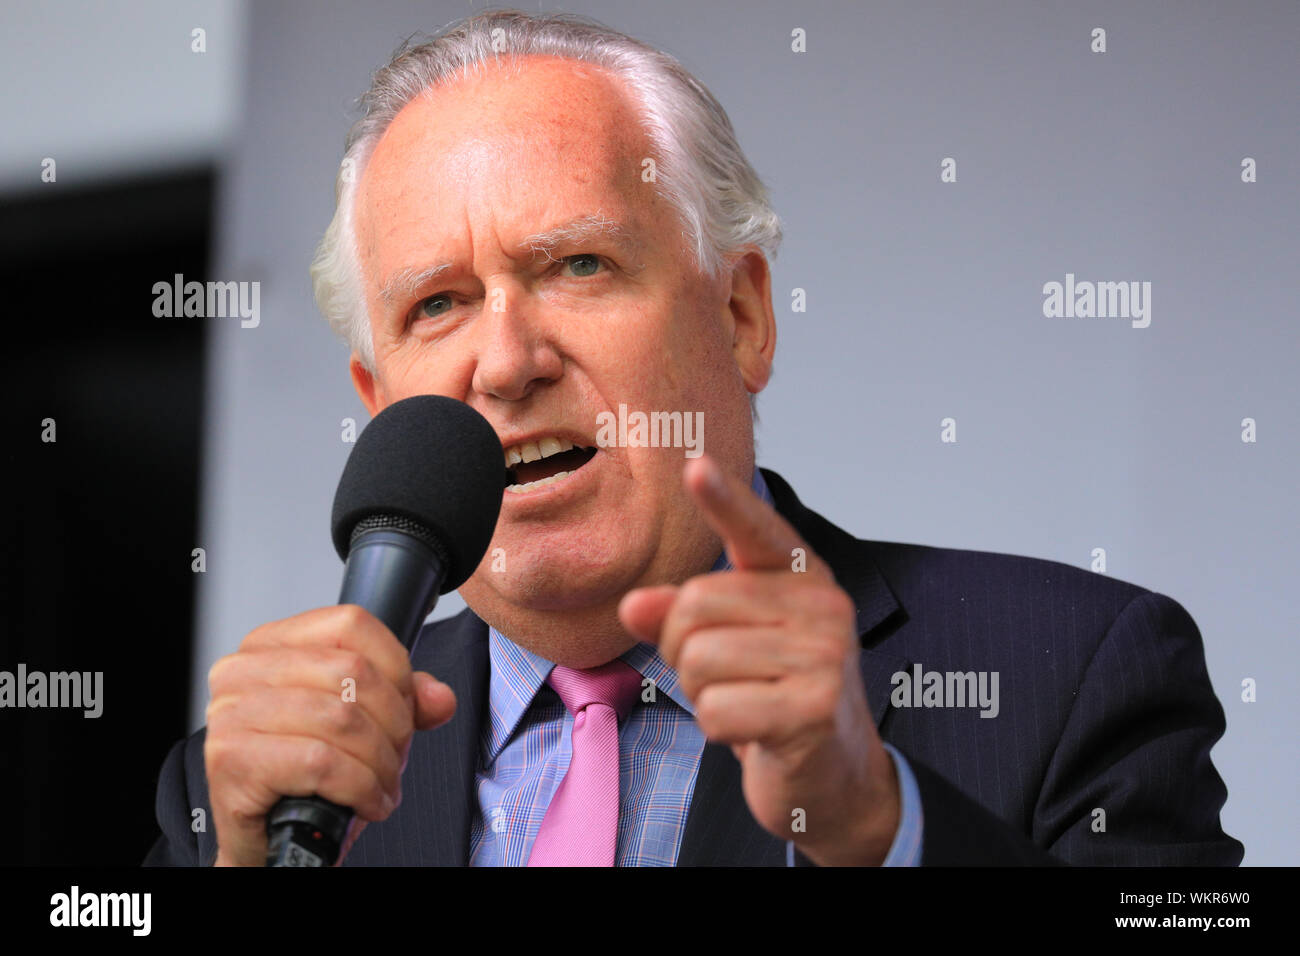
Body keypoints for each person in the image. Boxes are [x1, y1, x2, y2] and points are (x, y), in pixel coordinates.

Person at [145, 10, 1241, 867]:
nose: (505, 357)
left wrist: (878, 826)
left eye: (577, 265)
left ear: (741, 317)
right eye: (436, 303)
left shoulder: (1070, 672)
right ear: (379, 402)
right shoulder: (251, 790)